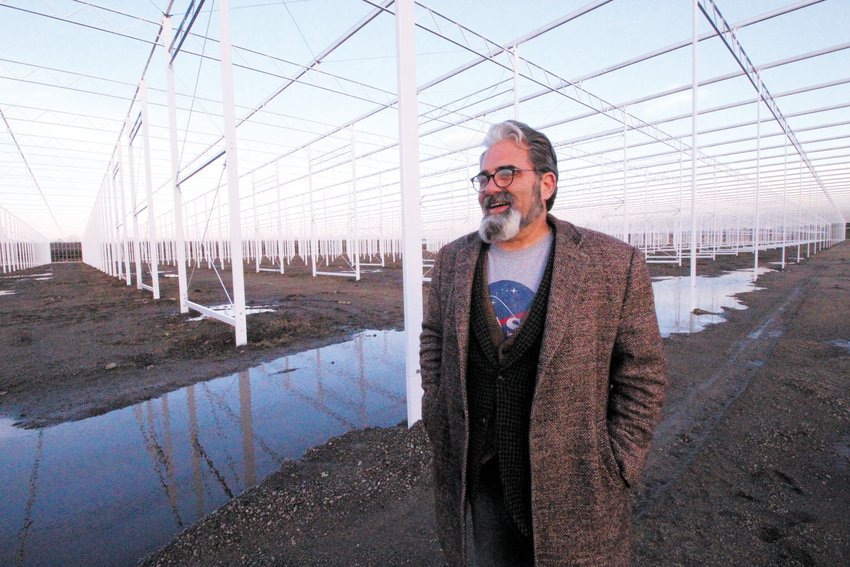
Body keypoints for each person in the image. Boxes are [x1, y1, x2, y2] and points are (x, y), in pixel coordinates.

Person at [419, 120, 667, 566]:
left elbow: (642, 374)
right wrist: (436, 409)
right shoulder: (453, 260)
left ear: (547, 183)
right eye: (484, 177)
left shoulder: (611, 263)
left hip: (576, 484)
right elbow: (434, 338)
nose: (491, 188)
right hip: (484, 474)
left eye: (507, 174)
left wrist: (619, 463)